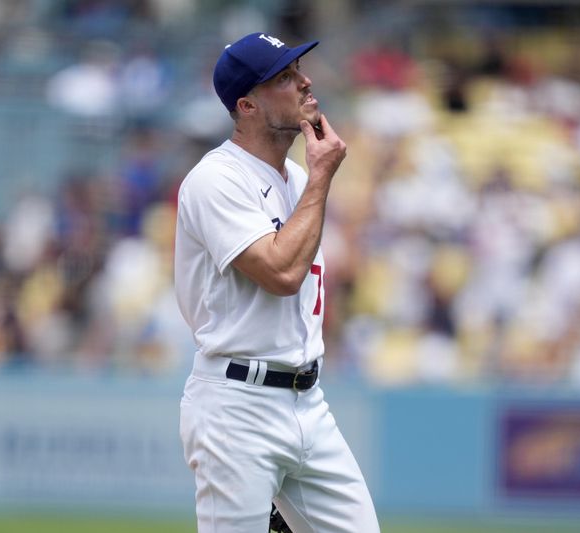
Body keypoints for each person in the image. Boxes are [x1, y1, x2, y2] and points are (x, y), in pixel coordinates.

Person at [174, 32, 381, 533]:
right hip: (237, 405)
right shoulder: (215, 180)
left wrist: (314, 179)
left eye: (298, 70)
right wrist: (323, 178)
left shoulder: (294, 177)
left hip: (307, 400)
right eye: (284, 77)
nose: (305, 81)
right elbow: (282, 274)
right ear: (246, 105)